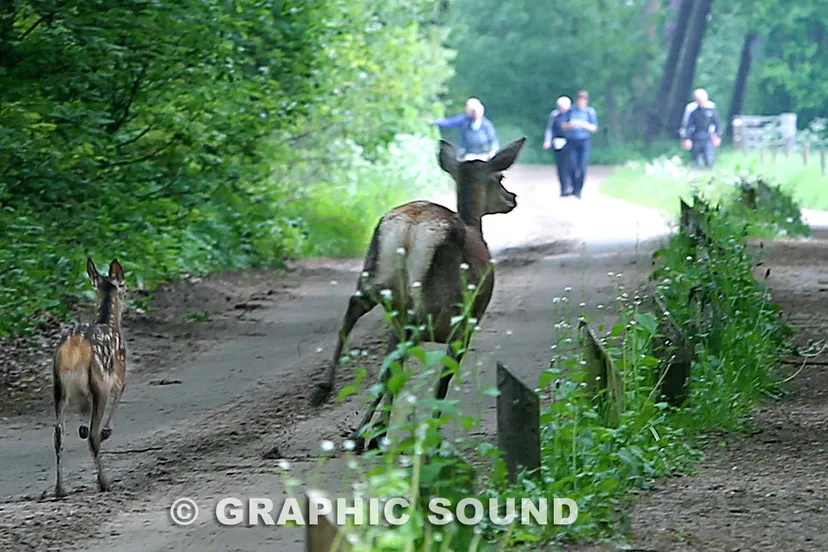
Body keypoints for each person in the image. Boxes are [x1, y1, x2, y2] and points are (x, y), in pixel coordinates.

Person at [561, 90, 598, 198]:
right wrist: (570, 125)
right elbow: (563, 125)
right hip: (572, 140)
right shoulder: (571, 111)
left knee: (582, 167)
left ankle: (578, 190)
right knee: (572, 166)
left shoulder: (590, 112)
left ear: (586, 101)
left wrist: (585, 125)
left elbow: (594, 127)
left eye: (583, 100)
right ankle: (573, 185)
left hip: (584, 141)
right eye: (579, 100)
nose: (581, 102)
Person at [680, 88, 722, 168]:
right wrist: (686, 139)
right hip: (695, 137)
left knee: (709, 160)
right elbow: (687, 125)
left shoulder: (711, 109)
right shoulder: (692, 110)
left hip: (708, 137)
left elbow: (717, 123)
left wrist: (717, 136)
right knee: (694, 160)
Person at [543, 96, 574, 196]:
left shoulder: (573, 115)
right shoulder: (554, 115)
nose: (562, 108)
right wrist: (547, 141)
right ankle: (564, 188)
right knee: (561, 166)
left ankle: (571, 186)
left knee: (571, 165)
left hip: (570, 142)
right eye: (560, 106)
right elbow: (550, 129)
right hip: (558, 143)